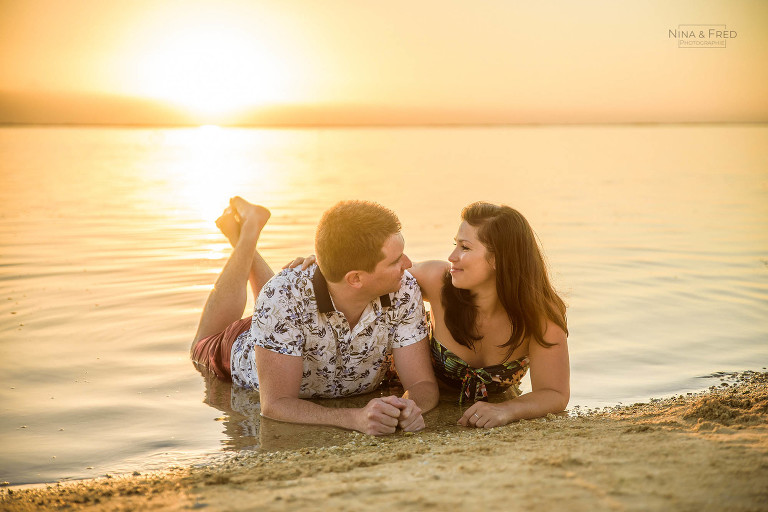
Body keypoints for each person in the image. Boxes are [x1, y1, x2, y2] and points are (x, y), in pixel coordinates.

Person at [291, 202, 570, 428]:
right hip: (399, 388)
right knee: (259, 324)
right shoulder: (438, 280)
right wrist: (329, 265)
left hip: (424, 406)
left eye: (465, 247)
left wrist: (507, 410)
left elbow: (555, 394)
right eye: (455, 244)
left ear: (498, 260)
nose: (452, 256)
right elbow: (370, 277)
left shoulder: (542, 315)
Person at [190, 196, 439, 436]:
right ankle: (245, 237)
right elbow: (275, 405)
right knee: (200, 346)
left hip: (284, 318)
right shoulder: (282, 297)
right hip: (241, 346)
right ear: (355, 279)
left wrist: (408, 408)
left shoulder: (403, 288)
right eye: (396, 260)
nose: (408, 264)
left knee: (283, 297)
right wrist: (355, 418)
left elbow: (422, 385)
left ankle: (247, 239)